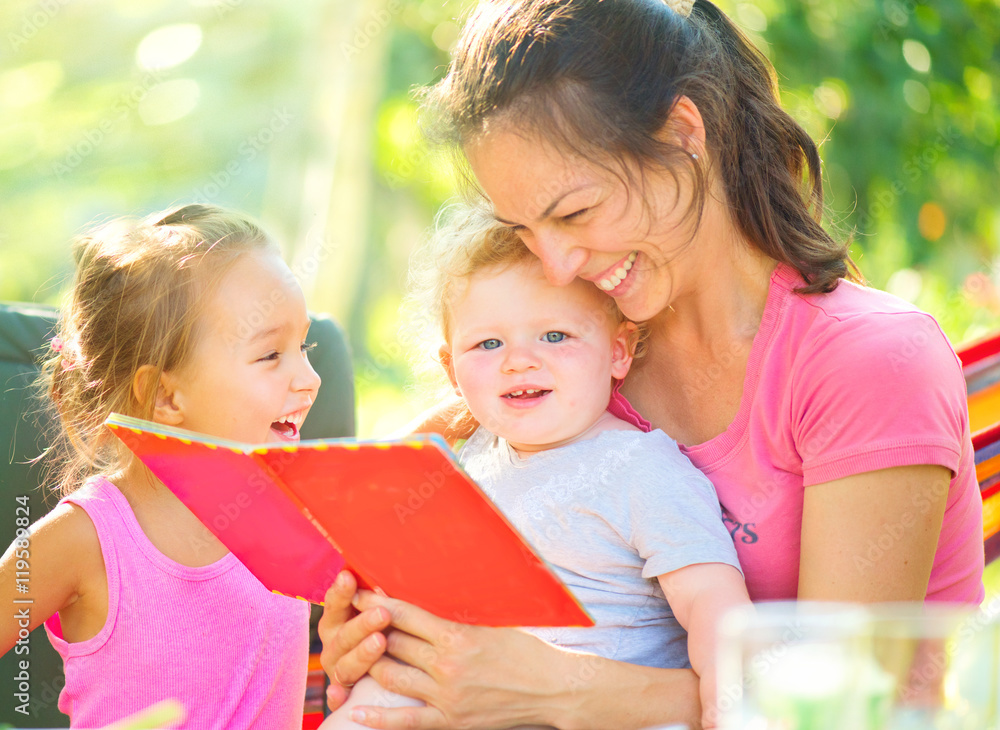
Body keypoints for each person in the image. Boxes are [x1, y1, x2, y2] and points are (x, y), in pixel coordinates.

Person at [319, 0, 985, 727]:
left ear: (682, 133)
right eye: (524, 229)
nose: (558, 262)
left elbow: (838, 708)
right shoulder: (575, 362)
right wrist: (379, 638)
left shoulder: (866, 364)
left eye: (574, 214)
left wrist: (549, 689)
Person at [320, 205, 748, 730]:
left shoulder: (643, 470)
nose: (519, 360)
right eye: (489, 343)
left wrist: (729, 712)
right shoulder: (459, 463)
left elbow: (716, 610)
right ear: (452, 371)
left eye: (554, 336)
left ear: (618, 351)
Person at [0, 204, 321, 727]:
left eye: (303, 346)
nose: (310, 378)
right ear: (165, 395)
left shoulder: (298, 503)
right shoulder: (84, 538)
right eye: (270, 356)